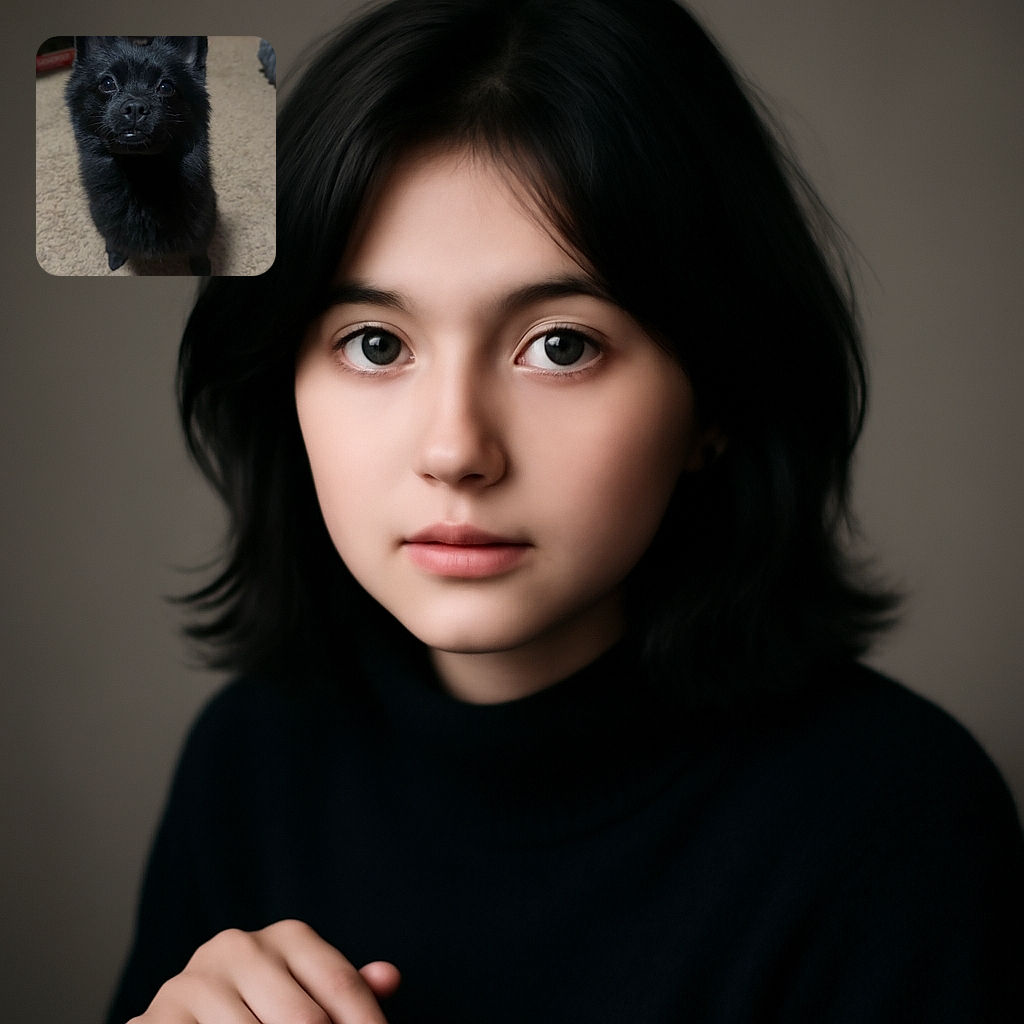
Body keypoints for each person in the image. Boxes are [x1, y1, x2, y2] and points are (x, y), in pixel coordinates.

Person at [106, 0, 1023, 1021]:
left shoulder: (894, 822)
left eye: (560, 345)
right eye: (375, 343)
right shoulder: (249, 765)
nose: (456, 450)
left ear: (715, 400)